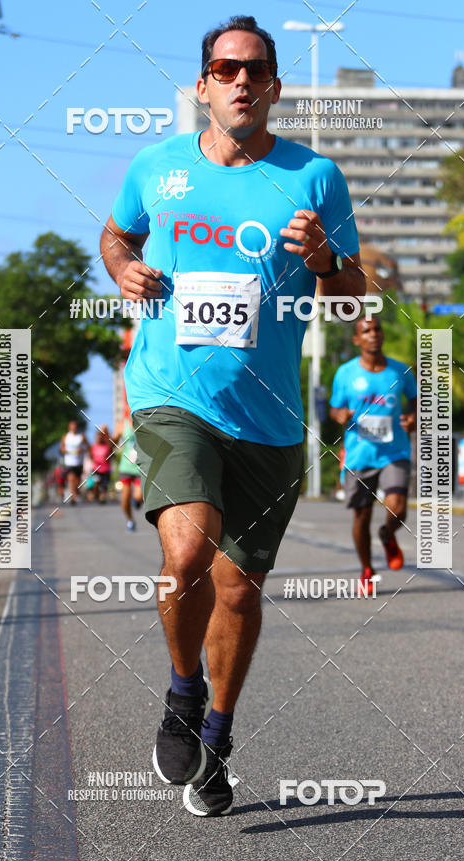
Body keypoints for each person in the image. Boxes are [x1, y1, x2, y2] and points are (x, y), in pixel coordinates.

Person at [100, 15, 365, 817]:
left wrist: (323, 260)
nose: (240, 81)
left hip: (271, 420)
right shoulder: (157, 166)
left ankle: (216, 736)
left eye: (255, 71)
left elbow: (354, 294)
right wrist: (126, 271)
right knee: (186, 552)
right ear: (204, 87)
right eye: (225, 69)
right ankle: (183, 693)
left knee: (240, 594)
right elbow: (115, 237)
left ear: (274, 87)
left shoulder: (316, 176)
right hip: (171, 394)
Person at [330, 317, 417, 594]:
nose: (373, 334)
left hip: (394, 450)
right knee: (362, 517)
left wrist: (414, 417)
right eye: (366, 331)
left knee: (398, 506)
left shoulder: (400, 372)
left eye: (377, 329)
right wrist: (340, 414)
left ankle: (388, 533)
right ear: (357, 339)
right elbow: (334, 408)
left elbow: (416, 399)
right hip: (360, 454)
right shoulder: (345, 373)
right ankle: (367, 570)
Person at [114, 416, 143, 531]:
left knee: (138, 497)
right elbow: (113, 442)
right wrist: (106, 435)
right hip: (126, 467)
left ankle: (137, 501)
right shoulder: (122, 425)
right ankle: (130, 519)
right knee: (124, 499)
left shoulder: (144, 419)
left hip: (140, 467)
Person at [60, 421, 89, 505]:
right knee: (70, 479)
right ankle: (73, 497)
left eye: (75, 426)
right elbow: (61, 448)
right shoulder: (66, 437)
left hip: (79, 462)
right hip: (69, 462)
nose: (73, 428)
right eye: (72, 426)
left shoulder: (81, 436)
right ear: (69, 428)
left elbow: (87, 446)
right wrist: (64, 450)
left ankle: (75, 492)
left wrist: (82, 450)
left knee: (77, 481)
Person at [90, 425, 112, 504]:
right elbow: (91, 456)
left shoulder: (107, 446)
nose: (98, 438)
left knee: (104, 485)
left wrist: (106, 432)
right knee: (96, 483)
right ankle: (96, 495)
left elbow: (111, 454)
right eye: (97, 437)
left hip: (106, 469)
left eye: (100, 437)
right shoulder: (93, 447)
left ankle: (103, 497)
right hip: (96, 469)